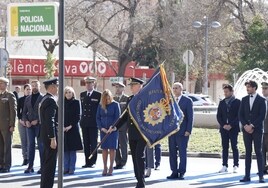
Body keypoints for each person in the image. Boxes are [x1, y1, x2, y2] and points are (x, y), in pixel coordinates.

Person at [109, 77, 146, 188]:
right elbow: (125, 116)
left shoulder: (145, 98)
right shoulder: (130, 99)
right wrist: (115, 127)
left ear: (139, 86)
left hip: (143, 133)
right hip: (132, 133)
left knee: (140, 156)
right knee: (134, 157)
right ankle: (138, 179)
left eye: (132, 85)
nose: (130, 87)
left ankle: (141, 181)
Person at [239, 80, 266, 183]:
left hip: (257, 130)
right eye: (246, 87)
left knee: (258, 152)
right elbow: (240, 114)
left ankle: (261, 176)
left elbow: (262, 116)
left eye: (249, 87)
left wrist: (252, 125)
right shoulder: (244, 99)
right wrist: (246, 125)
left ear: (254, 88)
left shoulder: (261, 100)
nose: (247, 88)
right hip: (246, 130)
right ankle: (247, 175)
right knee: (248, 152)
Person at [167, 82, 193, 180]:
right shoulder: (170, 101)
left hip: (183, 131)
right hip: (172, 131)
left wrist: (188, 130)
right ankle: (174, 171)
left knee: (182, 152)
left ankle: (181, 172)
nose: (174, 90)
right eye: (173, 88)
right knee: (172, 152)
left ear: (181, 89)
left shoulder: (187, 101)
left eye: (176, 88)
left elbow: (190, 117)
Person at [39, 78, 59, 188]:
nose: (57, 88)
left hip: (44, 133)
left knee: (47, 162)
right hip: (49, 135)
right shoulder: (50, 100)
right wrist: (53, 138)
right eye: (56, 86)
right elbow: (50, 120)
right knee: (50, 164)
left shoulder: (44, 99)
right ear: (51, 87)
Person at [217, 84, 241, 173]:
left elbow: (239, 116)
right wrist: (223, 125)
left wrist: (231, 125)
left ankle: (236, 165)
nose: (225, 93)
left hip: (233, 128)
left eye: (227, 92)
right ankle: (224, 165)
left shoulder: (238, 102)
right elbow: (219, 116)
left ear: (231, 92)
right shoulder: (222, 102)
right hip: (224, 129)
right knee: (225, 147)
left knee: (234, 146)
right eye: (224, 92)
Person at [96, 89, 120, 176]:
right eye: (105, 99)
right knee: (104, 148)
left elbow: (117, 118)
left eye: (109, 99)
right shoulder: (100, 106)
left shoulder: (115, 105)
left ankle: (111, 167)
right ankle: (105, 167)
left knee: (112, 148)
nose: (107, 101)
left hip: (112, 131)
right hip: (103, 130)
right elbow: (97, 118)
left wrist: (112, 127)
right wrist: (101, 128)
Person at [22, 80, 44, 174]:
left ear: (39, 87)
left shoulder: (43, 98)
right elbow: (24, 112)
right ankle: (30, 166)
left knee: (41, 146)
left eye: (36, 85)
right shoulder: (27, 98)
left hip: (39, 125)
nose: (34, 87)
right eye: (33, 85)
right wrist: (26, 121)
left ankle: (43, 167)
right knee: (30, 146)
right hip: (29, 126)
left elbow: (44, 113)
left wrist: (38, 120)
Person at [80, 76, 101, 168]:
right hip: (85, 122)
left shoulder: (98, 95)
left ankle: (93, 161)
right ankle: (87, 161)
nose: (88, 85)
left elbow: (100, 109)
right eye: (87, 83)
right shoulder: (82, 94)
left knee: (93, 143)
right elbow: (82, 108)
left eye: (90, 83)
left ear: (94, 84)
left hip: (94, 123)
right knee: (86, 142)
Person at [63, 86, 83, 175]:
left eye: (70, 92)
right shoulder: (61, 103)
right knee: (65, 150)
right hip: (63, 129)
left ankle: (72, 168)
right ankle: (65, 168)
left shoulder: (76, 102)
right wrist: (62, 127)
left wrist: (70, 126)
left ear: (73, 93)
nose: (68, 94)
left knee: (72, 150)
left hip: (73, 129)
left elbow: (78, 116)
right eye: (66, 92)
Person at [0, 77, 17, 173]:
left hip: (6, 125)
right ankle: (1, 164)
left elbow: (13, 111)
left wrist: (12, 124)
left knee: (7, 145)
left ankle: (7, 165)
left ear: (6, 85)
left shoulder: (10, 95)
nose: (0, 85)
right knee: (0, 146)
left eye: (2, 83)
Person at [113, 82, 129, 170]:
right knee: (116, 145)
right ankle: (117, 162)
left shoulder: (126, 98)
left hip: (123, 126)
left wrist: (127, 127)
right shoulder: (113, 98)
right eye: (116, 87)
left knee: (123, 144)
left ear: (123, 89)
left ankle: (123, 162)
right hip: (114, 126)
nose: (117, 89)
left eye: (119, 87)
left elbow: (127, 114)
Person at [17, 84, 32, 166]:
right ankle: (25, 158)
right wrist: (20, 120)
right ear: (24, 90)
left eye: (30, 89)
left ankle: (30, 158)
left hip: (30, 122)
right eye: (27, 89)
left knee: (30, 141)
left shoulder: (32, 99)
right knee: (24, 141)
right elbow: (18, 111)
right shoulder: (20, 99)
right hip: (22, 122)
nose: (29, 90)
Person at [261, 82, 268, 174]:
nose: (263, 90)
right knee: (261, 150)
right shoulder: (260, 100)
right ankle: (262, 168)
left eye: (265, 88)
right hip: (260, 130)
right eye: (263, 88)